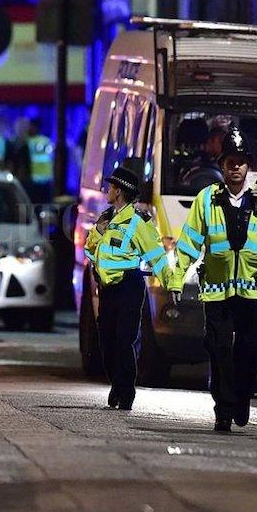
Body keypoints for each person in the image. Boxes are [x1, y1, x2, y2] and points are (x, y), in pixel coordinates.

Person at [170, 128, 257, 431]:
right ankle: (223, 411)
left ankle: (242, 397)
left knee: (250, 352)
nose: (235, 168)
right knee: (219, 352)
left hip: (250, 292)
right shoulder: (207, 199)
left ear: (248, 166)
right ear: (222, 165)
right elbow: (188, 244)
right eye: (230, 162)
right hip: (216, 292)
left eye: (240, 162)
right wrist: (175, 279)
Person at [84, 166, 174, 411]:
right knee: (107, 343)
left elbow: (157, 256)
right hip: (107, 288)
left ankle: (125, 393)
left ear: (120, 191)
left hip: (129, 285)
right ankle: (117, 384)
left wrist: (171, 284)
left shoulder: (139, 222)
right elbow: (89, 250)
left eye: (111, 187)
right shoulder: (106, 218)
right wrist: (95, 236)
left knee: (124, 340)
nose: (107, 190)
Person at [178, 125, 226, 190]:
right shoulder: (198, 159)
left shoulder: (226, 164)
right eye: (209, 138)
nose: (208, 142)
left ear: (222, 145)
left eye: (212, 140)